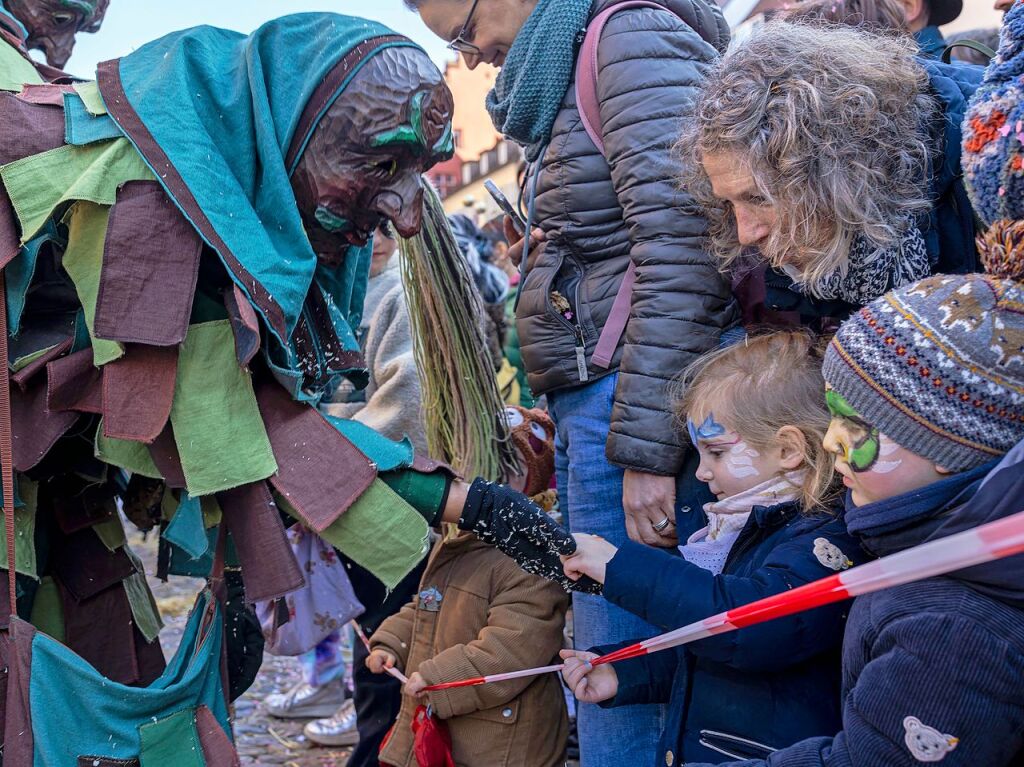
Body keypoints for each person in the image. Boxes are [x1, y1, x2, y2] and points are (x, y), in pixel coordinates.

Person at [405, 0, 738, 761]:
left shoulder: (622, 39)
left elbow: (686, 244)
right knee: (609, 663)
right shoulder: (569, 63)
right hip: (608, 396)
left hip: (636, 400)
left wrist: (648, 449)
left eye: (463, 33)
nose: (471, 57)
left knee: (624, 660)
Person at [558, 331, 865, 765]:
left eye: (716, 452)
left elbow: (749, 625)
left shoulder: (825, 541)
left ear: (788, 449)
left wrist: (619, 566)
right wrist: (624, 672)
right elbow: (707, 655)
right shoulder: (744, 528)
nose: (701, 472)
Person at [677, 20, 983, 334]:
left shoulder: (989, 160)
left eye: (758, 198)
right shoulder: (803, 258)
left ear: (840, 165)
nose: (745, 234)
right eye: (728, 204)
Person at [267, 221, 432, 753]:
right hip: (340, 488)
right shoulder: (332, 292)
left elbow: (405, 403)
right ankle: (376, 738)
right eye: (367, 224)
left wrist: (332, 467)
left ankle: (379, 749)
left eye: (389, 227)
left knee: (387, 636)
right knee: (368, 631)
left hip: (379, 489)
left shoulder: (400, 296)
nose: (376, 236)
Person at [367, 518, 570, 767]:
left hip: (501, 742)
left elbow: (510, 649)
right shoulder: (454, 542)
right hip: (446, 728)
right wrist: (392, 641)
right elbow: (427, 606)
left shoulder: (529, 558)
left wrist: (437, 679)